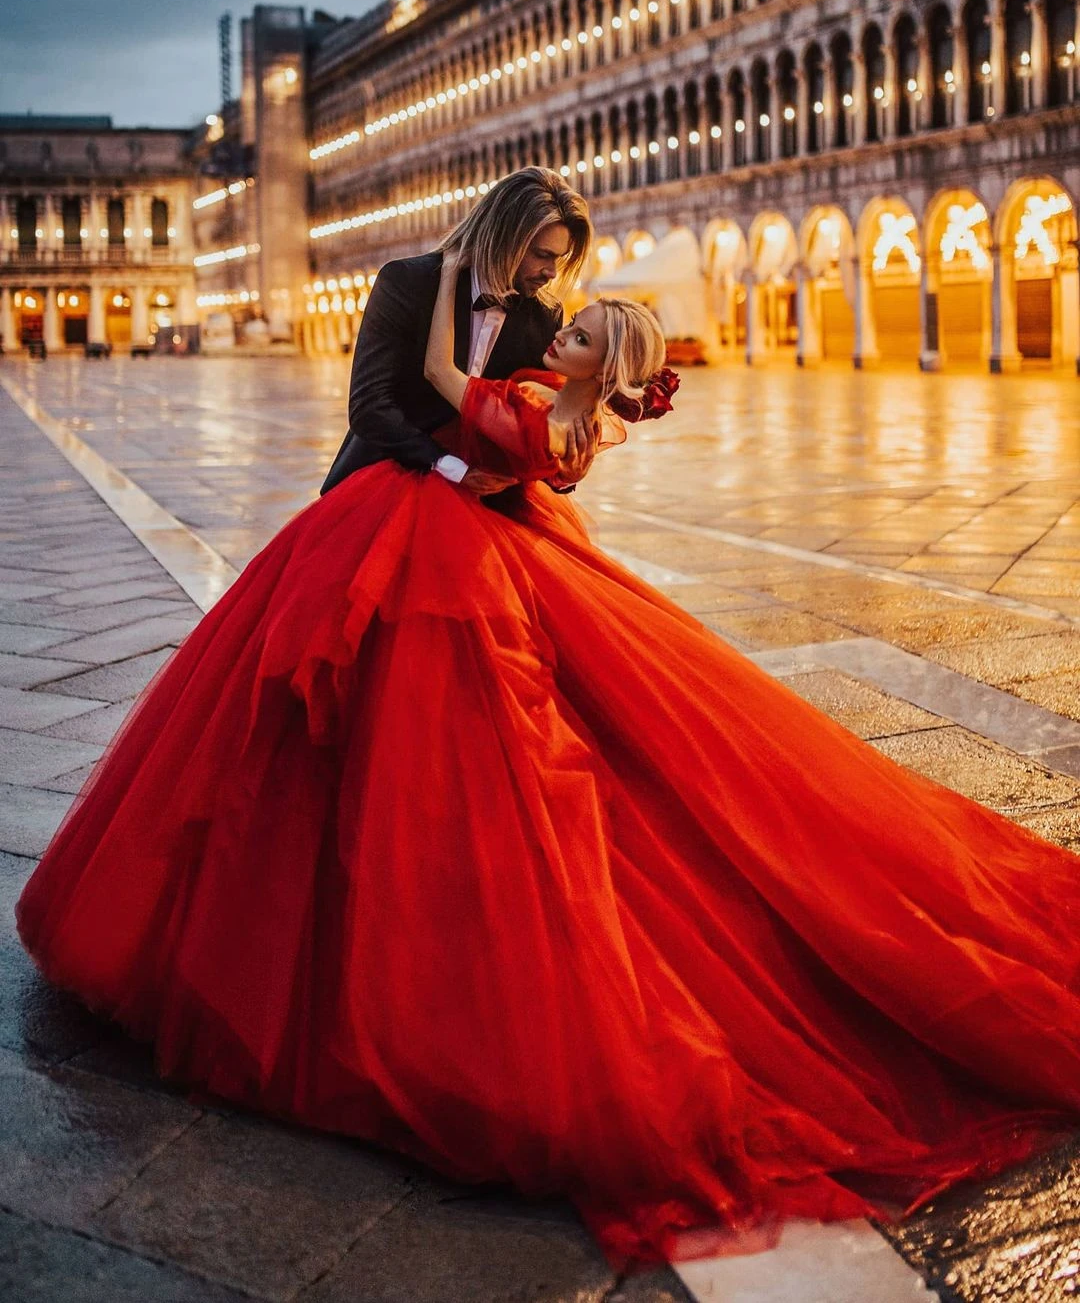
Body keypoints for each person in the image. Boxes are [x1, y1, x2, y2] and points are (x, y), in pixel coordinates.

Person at [15, 264, 1080, 1269]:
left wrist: (444, 296)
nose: (553, 322)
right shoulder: (578, 414)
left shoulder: (531, 412)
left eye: (574, 329)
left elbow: (439, 381)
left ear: (593, 360)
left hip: (451, 548)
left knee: (454, 755)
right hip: (482, 541)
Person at [321, 166, 597, 499]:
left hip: (488, 505)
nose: (551, 273)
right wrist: (450, 467)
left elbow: (528, 431)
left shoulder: (544, 316)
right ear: (504, 236)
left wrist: (565, 473)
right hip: (386, 479)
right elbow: (369, 405)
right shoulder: (406, 282)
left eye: (559, 259)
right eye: (542, 255)